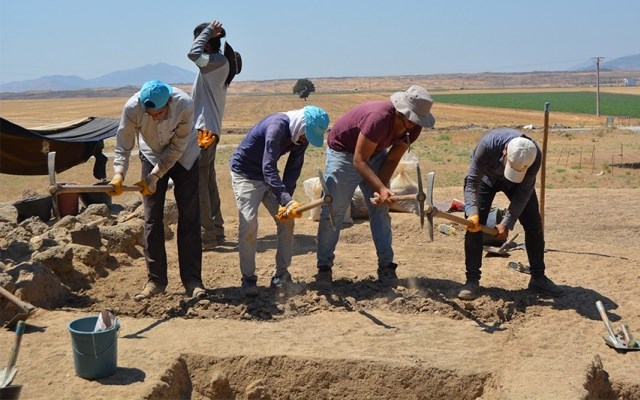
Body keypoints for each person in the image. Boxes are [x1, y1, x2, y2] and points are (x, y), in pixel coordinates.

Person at [315, 85, 435, 285]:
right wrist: (380, 187)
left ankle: (386, 266)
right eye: (412, 120)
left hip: (376, 152)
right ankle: (324, 268)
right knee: (334, 211)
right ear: (401, 113)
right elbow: (359, 160)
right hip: (344, 153)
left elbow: (391, 160)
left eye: (418, 121)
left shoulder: (414, 127)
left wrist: (382, 191)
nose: (415, 125)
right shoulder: (378, 119)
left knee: (380, 209)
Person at [109, 79, 206, 301]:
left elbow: (176, 148)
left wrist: (155, 176)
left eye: (159, 113)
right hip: (150, 153)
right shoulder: (132, 107)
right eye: (149, 113)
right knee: (152, 218)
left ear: (169, 101)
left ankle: (192, 281)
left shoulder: (184, 104)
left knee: (190, 217)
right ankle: (155, 281)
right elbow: (123, 145)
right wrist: (118, 174)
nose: (154, 117)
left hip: (184, 156)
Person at [229, 106, 329, 297]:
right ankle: (248, 278)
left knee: (287, 220)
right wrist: (285, 198)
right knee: (249, 224)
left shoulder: (302, 136)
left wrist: (286, 202)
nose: (304, 140)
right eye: (305, 135)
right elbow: (268, 166)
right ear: (301, 125)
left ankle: (281, 275)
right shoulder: (277, 127)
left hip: (268, 177)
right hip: (246, 174)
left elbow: (293, 168)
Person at [458, 127, 564, 300]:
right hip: (486, 178)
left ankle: (538, 278)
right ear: (505, 151)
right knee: (474, 225)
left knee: (533, 223)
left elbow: (523, 193)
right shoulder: (487, 145)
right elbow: (471, 181)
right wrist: (471, 212)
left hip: (518, 184)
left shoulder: (533, 155)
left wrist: (506, 223)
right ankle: (472, 281)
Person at [188, 19, 229, 250]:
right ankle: (217, 231)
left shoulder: (214, 62)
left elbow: (193, 54)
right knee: (208, 182)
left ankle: (207, 236)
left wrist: (206, 32)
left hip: (204, 131)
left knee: (199, 183)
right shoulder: (215, 63)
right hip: (209, 130)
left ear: (206, 44)